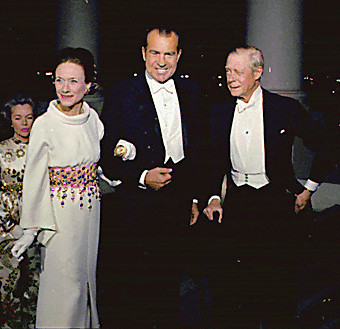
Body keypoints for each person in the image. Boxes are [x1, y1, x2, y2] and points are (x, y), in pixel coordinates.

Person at [202, 46, 331, 328]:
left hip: (275, 205)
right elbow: (212, 160)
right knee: (235, 291)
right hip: (236, 206)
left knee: (277, 291)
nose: (230, 78)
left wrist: (309, 188)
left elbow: (326, 145)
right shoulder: (219, 112)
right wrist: (213, 197)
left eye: (238, 71)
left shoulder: (284, 108)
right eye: (227, 71)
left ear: (257, 72)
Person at [99, 27, 202, 328]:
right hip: (136, 207)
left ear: (179, 55)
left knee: (170, 288)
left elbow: (198, 150)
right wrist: (143, 176)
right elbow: (106, 154)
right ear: (143, 53)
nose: (161, 61)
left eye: (169, 53)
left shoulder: (192, 92)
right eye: (155, 52)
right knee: (134, 292)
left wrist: (194, 197)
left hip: (177, 204)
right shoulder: (121, 92)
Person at [11, 47, 104, 328]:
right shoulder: (44, 124)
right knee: (63, 291)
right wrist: (31, 230)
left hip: (91, 213)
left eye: (74, 81)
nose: (65, 88)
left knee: (86, 285)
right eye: (59, 79)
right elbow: (35, 179)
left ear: (88, 85)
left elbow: (96, 165)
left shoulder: (93, 120)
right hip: (59, 220)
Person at [0, 94, 39, 329]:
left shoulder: (43, 150)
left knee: (36, 291)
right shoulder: (1, 151)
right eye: (18, 118)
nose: (24, 124)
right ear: (10, 120)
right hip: (8, 233)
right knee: (8, 290)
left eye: (29, 117)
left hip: (38, 231)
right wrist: (10, 226)